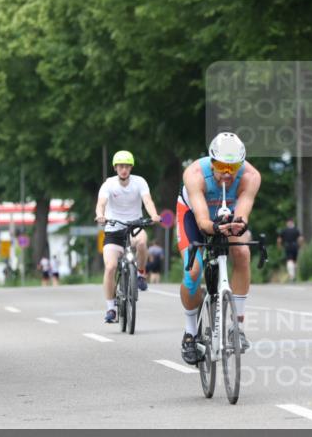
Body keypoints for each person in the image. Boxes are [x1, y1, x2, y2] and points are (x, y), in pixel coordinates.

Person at [177, 132, 261, 364]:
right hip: (194, 217)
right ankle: (190, 332)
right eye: (221, 166)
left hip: (227, 215)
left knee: (242, 252)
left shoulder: (251, 176)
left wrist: (238, 226)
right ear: (212, 162)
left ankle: (238, 328)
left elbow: (242, 215)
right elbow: (203, 222)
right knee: (193, 271)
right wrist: (215, 227)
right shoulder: (194, 174)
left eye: (233, 167)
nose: (227, 172)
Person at [95, 150, 160, 323]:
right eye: (121, 166)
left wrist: (154, 215)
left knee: (142, 243)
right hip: (113, 229)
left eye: (127, 166)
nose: (124, 170)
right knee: (110, 267)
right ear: (115, 168)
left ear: (131, 167)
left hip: (134, 226)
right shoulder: (109, 184)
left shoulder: (139, 182)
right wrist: (100, 215)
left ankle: (140, 273)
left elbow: (148, 201)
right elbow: (101, 204)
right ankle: (111, 309)